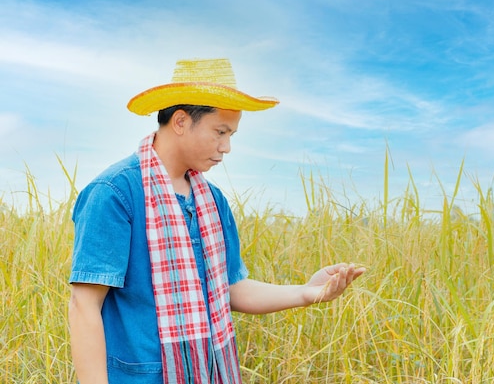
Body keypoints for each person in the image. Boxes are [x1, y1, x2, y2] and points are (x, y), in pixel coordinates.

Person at [68, 58, 366, 384]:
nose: (226, 147)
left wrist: (305, 293)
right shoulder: (115, 193)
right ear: (181, 122)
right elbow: (85, 304)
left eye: (231, 134)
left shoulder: (213, 201)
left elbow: (231, 289)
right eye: (220, 132)